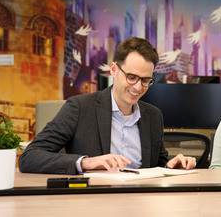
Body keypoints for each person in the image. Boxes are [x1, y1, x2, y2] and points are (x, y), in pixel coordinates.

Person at [19, 37, 196, 174]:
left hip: (142, 202)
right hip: (94, 202)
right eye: (132, 77)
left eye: (145, 80)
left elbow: (157, 166)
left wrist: (173, 166)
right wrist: (85, 162)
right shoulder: (80, 108)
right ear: (113, 70)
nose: (137, 87)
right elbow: (29, 157)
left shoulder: (153, 115)